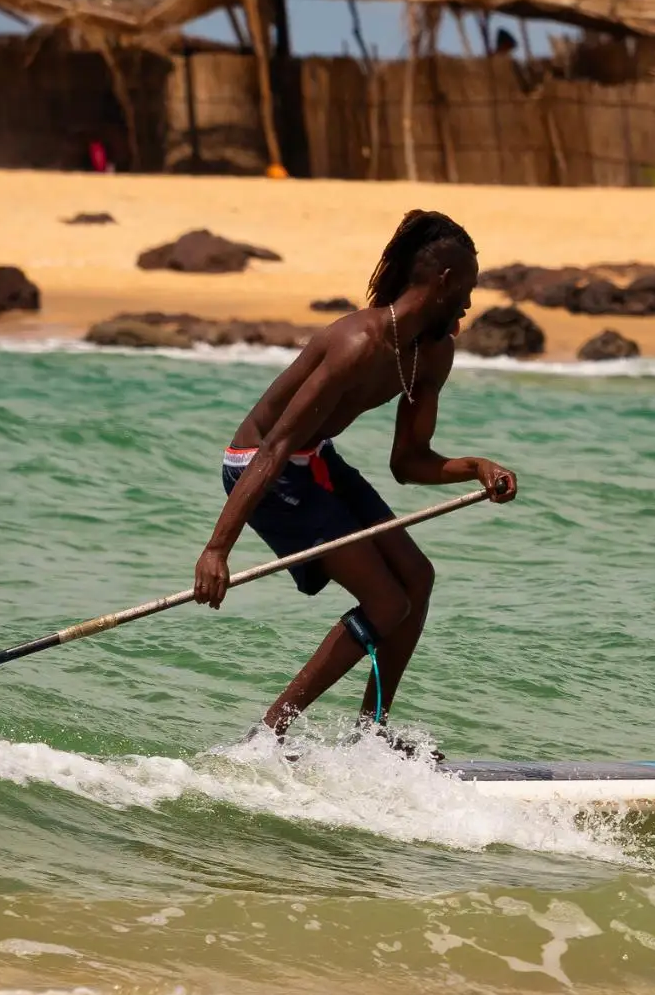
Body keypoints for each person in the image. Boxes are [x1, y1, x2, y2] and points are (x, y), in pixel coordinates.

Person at [195, 209, 518, 736]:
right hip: (262, 467)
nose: (468, 304)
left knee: (418, 577)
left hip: (314, 461)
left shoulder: (431, 354)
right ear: (443, 282)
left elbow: (408, 462)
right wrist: (217, 549)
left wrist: (478, 469)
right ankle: (271, 730)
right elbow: (274, 447)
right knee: (387, 602)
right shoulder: (356, 344)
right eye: (468, 289)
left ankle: (372, 733)